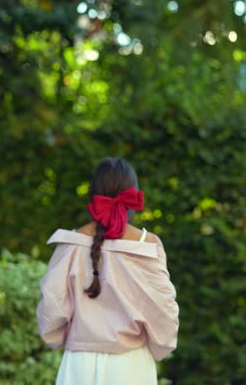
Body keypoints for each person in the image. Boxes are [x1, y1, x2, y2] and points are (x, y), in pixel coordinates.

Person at [36, 156, 180, 385]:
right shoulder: (148, 245)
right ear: (133, 193)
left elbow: (52, 305)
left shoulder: (70, 244)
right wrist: (161, 346)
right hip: (132, 366)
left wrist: (58, 338)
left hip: (78, 365)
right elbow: (164, 311)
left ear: (92, 194)